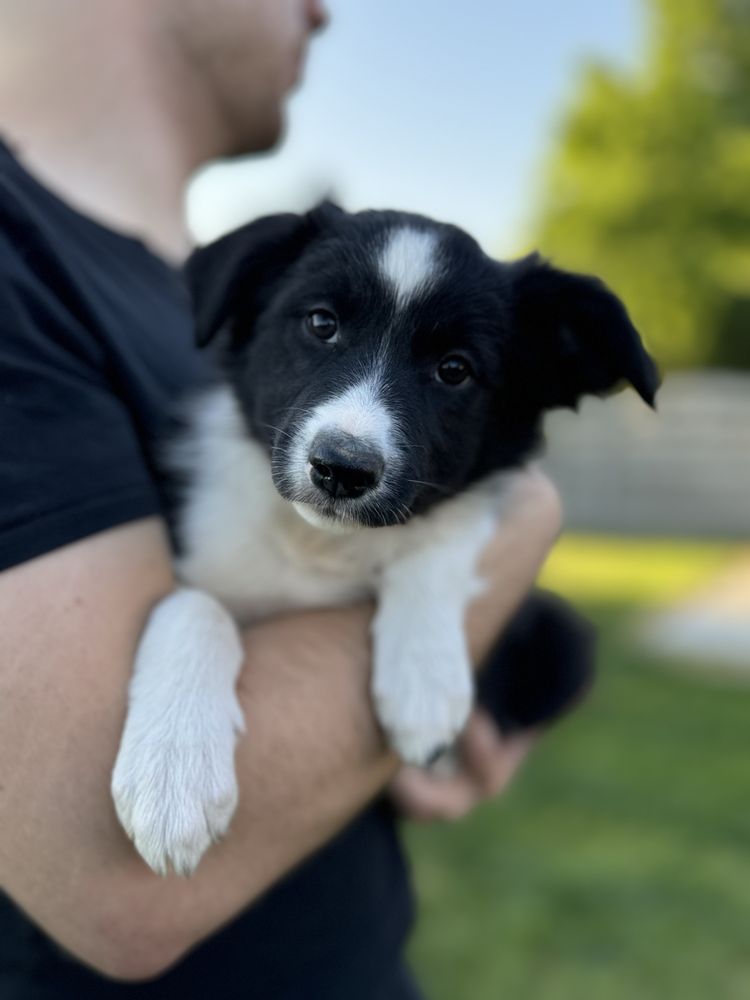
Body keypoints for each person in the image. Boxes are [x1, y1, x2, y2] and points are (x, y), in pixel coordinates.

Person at [0, 2, 563, 997]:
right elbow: (116, 894)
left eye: (446, 369)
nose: (326, 10)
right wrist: (518, 530)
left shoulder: (194, 270)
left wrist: (457, 646)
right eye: (321, 325)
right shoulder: (23, 266)